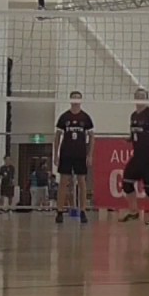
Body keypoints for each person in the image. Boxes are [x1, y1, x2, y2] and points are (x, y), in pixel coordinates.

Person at [121, 88, 149, 224]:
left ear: (146, 99)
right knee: (127, 182)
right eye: (137, 96)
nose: (139, 98)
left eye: (142, 96)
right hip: (138, 156)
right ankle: (133, 212)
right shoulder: (134, 115)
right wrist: (129, 139)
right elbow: (136, 133)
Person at [54, 90, 95, 225]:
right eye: (74, 98)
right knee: (63, 182)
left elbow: (92, 137)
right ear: (71, 100)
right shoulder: (64, 117)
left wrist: (90, 155)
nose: (76, 100)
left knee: (81, 182)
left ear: (81, 100)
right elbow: (57, 136)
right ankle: (59, 211)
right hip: (66, 153)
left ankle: (83, 211)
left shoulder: (86, 118)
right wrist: (56, 155)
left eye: (78, 98)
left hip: (80, 154)